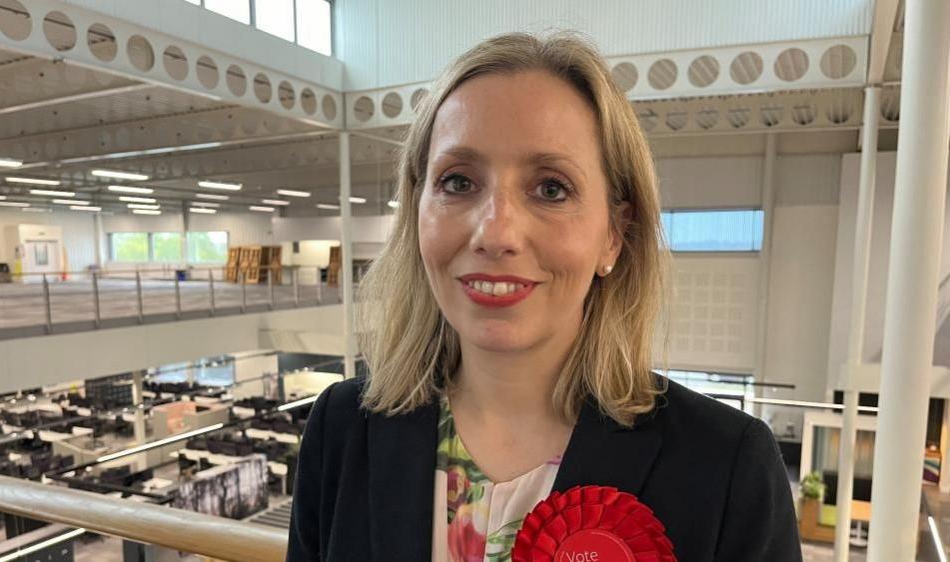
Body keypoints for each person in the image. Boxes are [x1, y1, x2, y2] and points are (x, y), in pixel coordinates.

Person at [287, 32, 801, 562]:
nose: (496, 233)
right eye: (458, 182)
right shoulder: (343, 428)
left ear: (614, 235)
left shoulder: (727, 466)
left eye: (551, 188)